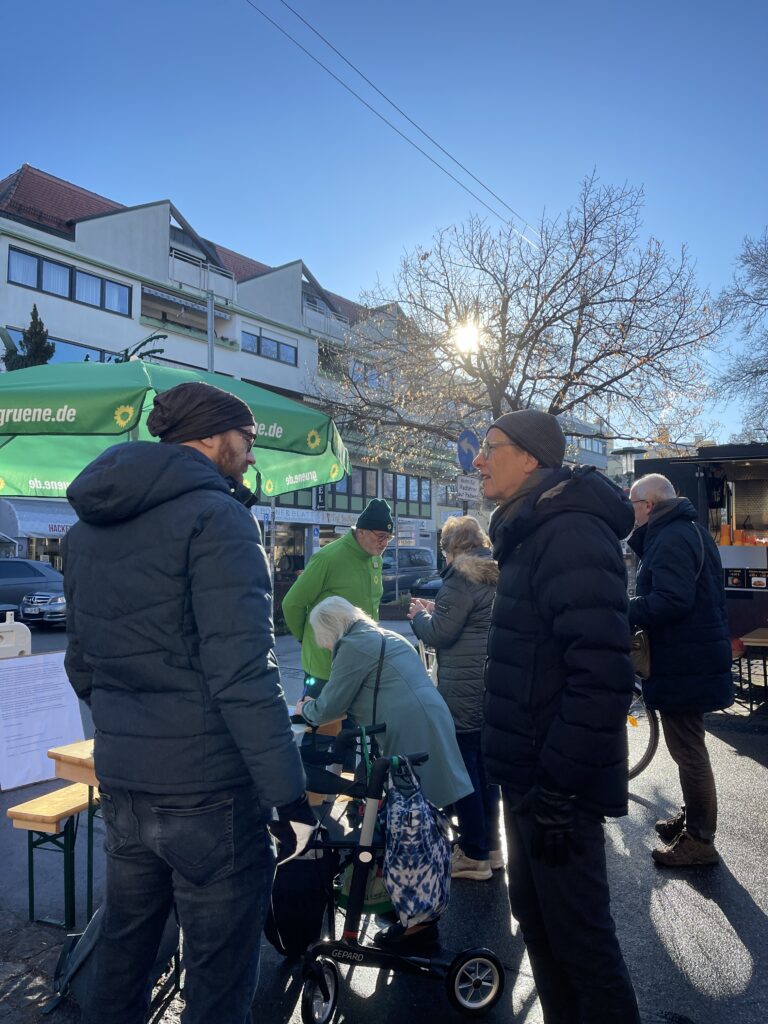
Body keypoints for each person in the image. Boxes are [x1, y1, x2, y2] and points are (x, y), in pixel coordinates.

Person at [63, 381, 316, 1024]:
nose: (252, 454)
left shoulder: (86, 529)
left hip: (125, 784)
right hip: (209, 795)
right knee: (218, 974)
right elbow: (245, 677)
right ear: (210, 437)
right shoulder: (218, 518)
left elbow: (82, 665)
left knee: (124, 952)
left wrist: (129, 731)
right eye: (248, 440)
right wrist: (291, 798)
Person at [474, 408, 641, 1024]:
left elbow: (601, 675)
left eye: (491, 447)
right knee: (543, 930)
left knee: (582, 947)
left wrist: (557, 787)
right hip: (530, 779)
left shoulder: (568, 531)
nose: (478, 459)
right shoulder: (530, 528)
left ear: (532, 458)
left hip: (555, 787)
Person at [628, 472, 733, 867]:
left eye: (634, 504)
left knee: (688, 750)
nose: (631, 511)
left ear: (650, 505)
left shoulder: (672, 536)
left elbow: (671, 601)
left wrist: (625, 609)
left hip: (685, 661)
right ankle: (693, 820)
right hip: (691, 658)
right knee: (688, 745)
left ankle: (700, 840)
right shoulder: (685, 531)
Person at [295, 596, 473, 811]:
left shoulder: (353, 645)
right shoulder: (389, 636)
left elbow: (328, 708)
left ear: (328, 628)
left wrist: (304, 708)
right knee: (445, 790)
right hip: (434, 714)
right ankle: (466, 842)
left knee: (413, 804)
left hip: (407, 726)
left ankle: (417, 844)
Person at [407, 515, 502, 881]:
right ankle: (492, 849)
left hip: (461, 688)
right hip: (488, 683)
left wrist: (418, 617)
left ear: (449, 548)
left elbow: (441, 636)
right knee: (485, 771)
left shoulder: (458, 579)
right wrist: (436, 613)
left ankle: (474, 853)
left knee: (464, 772)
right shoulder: (493, 573)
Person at [282, 498, 393, 698]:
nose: (385, 543)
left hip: (361, 663)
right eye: (381, 536)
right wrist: (306, 637)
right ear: (361, 532)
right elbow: (292, 603)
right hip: (325, 668)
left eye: (389, 537)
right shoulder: (328, 558)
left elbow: (372, 604)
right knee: (323, 728)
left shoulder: (375, 557)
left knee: (356, 728)